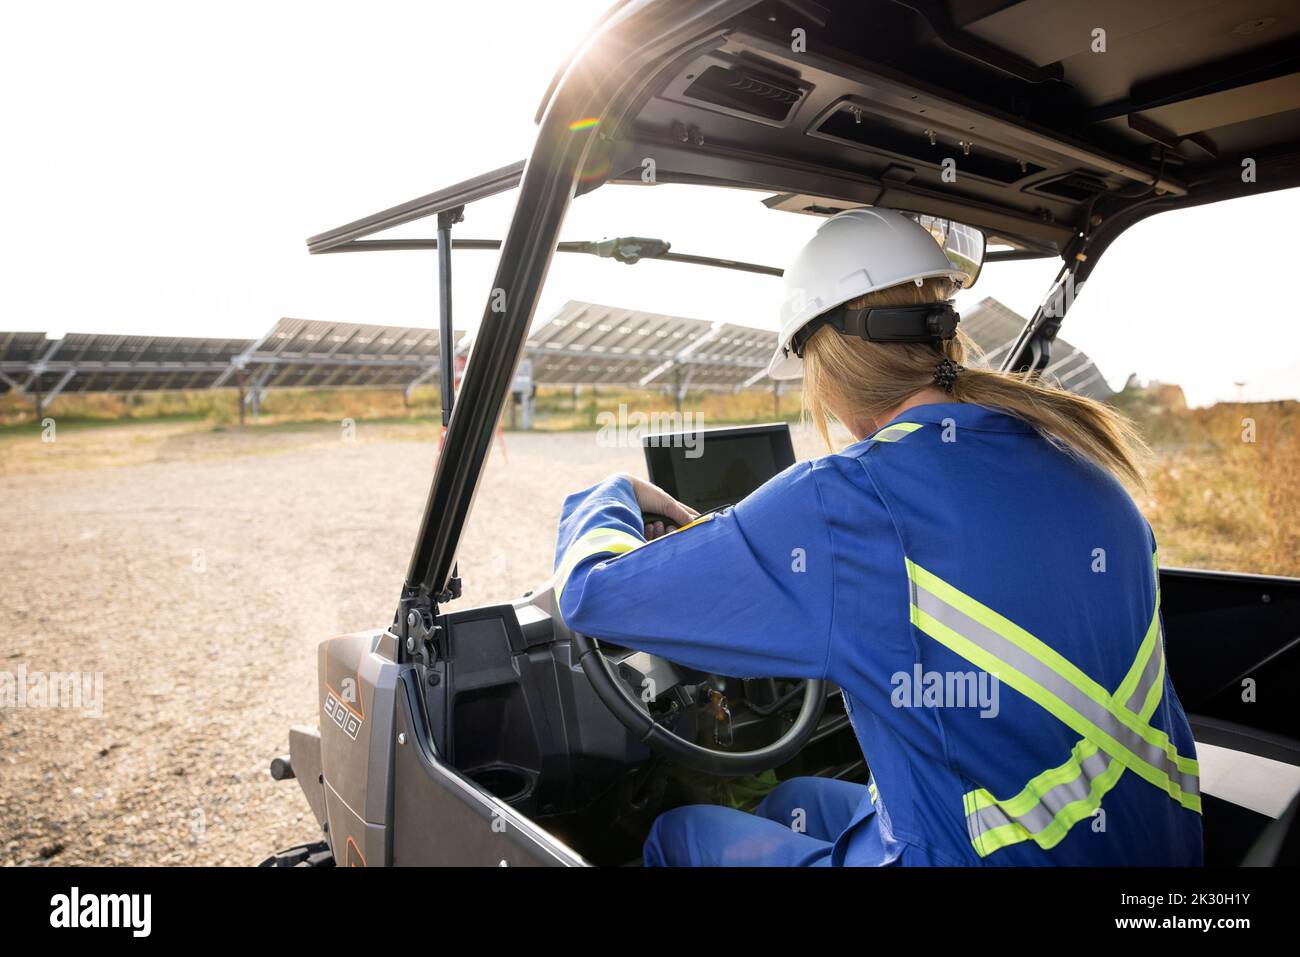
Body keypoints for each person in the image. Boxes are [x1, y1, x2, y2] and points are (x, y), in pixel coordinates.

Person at [551, 208, 1203, 866]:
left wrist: (614, 494)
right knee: (793, 799)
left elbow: (588, 594)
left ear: (826, 361)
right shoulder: (1086, 465)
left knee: (681, 833)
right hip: (1148, 854)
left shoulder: (846, 503)